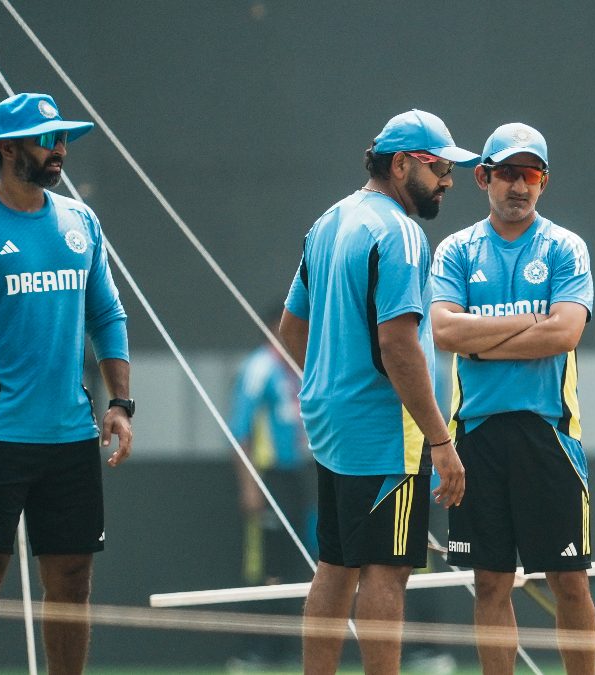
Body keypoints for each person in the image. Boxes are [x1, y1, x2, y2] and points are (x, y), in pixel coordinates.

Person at [0, 92, 133, 673]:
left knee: (73, 578)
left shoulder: (81, 221)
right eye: (47, 140)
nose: (59, 149)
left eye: (62, 138)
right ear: (8, 149)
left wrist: (120, 403)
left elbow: (107, 314)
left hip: (70, 433)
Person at [278, 109, 470, 675]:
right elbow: (399, 346)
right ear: (402, 164)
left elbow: (292, 329)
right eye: (439, 168)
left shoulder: (329, 221)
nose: (448, 181)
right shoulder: (401, 232)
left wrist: (332, 383)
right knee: (387, 569)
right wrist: (441, 440)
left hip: (332, 424)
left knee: (336, 565)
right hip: (385, 431)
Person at [430, 122, 595, 674]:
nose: (518, 186)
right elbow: (443, 331)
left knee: (569, 581)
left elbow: (564, 333)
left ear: (544, 182)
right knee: (490, 583)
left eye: (529, 175)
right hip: (477, 434)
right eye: (507, 173)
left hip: (549, 431)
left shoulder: (564, 247)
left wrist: (480, 341)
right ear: (483, 178)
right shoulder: (457, 250)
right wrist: (529, 322)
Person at [226, 306, 313, 669]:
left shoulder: (297, 366)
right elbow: (240, 432)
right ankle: (257, 650)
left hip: (298, 476)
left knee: (297, 563)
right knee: (266, 565)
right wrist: (249, 486)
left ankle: (287, 649)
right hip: (268, 477)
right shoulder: (259, 367)